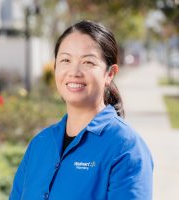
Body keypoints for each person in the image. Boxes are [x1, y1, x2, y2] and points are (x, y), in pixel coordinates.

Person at [9, 20, 153, 200]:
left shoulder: (125, 147)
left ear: (109, 74)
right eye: (65, 60)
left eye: (88, 62)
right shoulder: (40, 144)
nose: (74, 71)